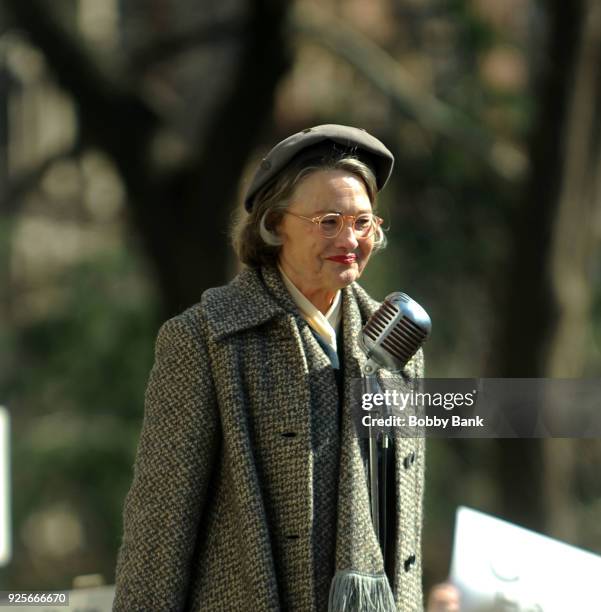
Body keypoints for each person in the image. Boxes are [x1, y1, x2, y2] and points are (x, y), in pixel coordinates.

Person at [113, 125, 433, 611]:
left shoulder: (398, 343)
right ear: (275, 224)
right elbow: (160, 534)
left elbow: (403, 525)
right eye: (328, 221)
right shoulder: (204, 339)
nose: (349, 239)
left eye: (363, 222)